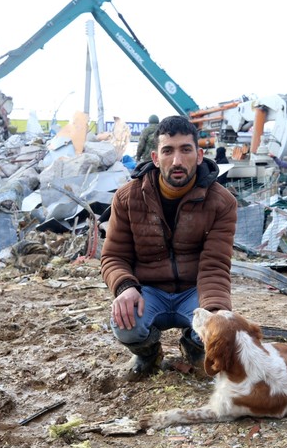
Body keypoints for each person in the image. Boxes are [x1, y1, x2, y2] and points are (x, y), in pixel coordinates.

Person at [101, 115, 237, 380]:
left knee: (222, 327)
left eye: (185, 150)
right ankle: (149, 354)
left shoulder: (222, 202)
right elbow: (114, 255)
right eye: (168, 151)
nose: (177, 161)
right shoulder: (128, 197)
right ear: (155, 157)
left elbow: (215, 265)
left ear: (198, 155)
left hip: (194, 291)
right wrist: (125, 287)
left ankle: (193, 346)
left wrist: (214, 312)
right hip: (148, 292)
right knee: (124, 324)